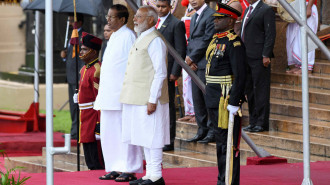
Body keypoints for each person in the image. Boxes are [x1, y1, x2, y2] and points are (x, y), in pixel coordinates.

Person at [94, 4, 143, 182]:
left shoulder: (129, 36)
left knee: (125, 133)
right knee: (109, 133)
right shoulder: (114, 37)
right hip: (108, 95)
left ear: (122, 19)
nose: (108, 20)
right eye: (107, 16)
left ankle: (129, 168)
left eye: (112, 17)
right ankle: (115, 166)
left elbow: (132, 66)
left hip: (122, 95)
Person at [120, 6, 168, 185]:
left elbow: (160, 72)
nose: (135, 19)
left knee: (153, 137)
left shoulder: (155, 40)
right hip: (136, 97)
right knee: (143, 136)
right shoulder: (142, 38)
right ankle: (149, 175)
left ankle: (156, 175)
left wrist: (152, 99)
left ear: (150, 19)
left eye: (139, 17)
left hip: (149, 98)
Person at [205, 3, 246, 184]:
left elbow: (241, 74)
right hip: (214, 98)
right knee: (221, 144)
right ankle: (222, 179)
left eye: (219, 18)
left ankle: (228, 181)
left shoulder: (233, 43)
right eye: (215, 17)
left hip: (226, 99)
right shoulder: (216, 40)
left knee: (228, 145)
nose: (215, 20)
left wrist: (235, 100)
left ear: (230, 20)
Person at [155, 0, 187, 151]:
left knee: (167, 106)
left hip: (167, 71)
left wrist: (175, 72)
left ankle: (169, 139)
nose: (160, 9)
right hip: (153, 71)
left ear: (170, 7)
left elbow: (180, 50)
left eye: (163, 7)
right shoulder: (153, 21)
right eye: (158, 6)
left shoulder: (176, 23)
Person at [241, 0, 276, 132]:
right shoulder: (247, 10)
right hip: (246, 56)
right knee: (249, 91)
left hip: (259, 57)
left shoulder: (266, 10)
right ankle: (253, 120)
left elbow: (270, 33)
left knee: (260, 90)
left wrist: (266, 54)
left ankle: (261, 122)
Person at [185, 0, 216, 143]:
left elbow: (207, 39)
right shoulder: (193, 16)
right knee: (197, 99)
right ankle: (201, 129)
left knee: (206, 98)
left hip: (204, 63)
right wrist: (189, 59)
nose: (193, 1)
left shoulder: (210, 14)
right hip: (194, 64)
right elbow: (191, 40)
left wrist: (192, 58)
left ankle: (211, 131)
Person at [73, 31, 104, 170]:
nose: (81, 52)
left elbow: (99, 97)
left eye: (85, 49)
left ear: (93, 51)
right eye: (82, 48)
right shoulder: (84, 69)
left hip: (93, 114)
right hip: (84, 114)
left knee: (94, 151)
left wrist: (99, 122)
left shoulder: (97, 70)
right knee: (86, 144)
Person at [60, 14, 85, 140]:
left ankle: (78, 131)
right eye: (69, 21)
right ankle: (74, 130)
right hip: (70, 76)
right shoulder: (70, 36)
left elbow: (81, 58)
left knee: (77, 106)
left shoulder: (81, 37)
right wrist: (64, 56)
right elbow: (71, 56)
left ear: (79, 22)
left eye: (72, 21)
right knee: (72, 106)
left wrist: (81, 76)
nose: (70, 24)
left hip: (77, 76)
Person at [286, 0, 318, 74]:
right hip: (295, 6)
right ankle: (298, 65)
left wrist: (309, 7)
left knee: (307, 37)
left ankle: (308, 67)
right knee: (293, 36)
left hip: (307, 5)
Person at [179, 0, 196, 123]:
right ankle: (189, 111)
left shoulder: (200, 12)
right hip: (185, 53)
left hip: (194, 54)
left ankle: (197, 112)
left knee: (195, 84)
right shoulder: (187, 10)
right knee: (186, 84)